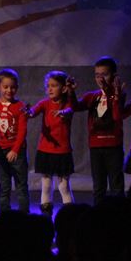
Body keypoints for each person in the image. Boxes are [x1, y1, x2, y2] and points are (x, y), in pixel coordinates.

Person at [73, 56, 125, 204]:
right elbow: (76, 106)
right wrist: (71, 92)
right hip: (96, 146)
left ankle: (119, 212)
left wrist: (113, 93)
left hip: (113, 146)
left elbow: (117, 115)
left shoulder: (118, 94)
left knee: (116, 184)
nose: (100, 79)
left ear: (114, 76)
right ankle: (98, 213)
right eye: (97, 75)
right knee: (98, 185)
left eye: (105, 75)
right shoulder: (92, 96)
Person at [28, 71, 77, 216]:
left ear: (63, 88)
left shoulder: (68, 103)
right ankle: (46, 215)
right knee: (46, 185)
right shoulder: (45, 103)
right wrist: (27, 112)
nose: (50, 89)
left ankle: (70, 214)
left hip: (62, 152)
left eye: (54, 86)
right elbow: (32, 112)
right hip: (46, 151)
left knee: (64, 186)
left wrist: (64, 112)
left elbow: (71, 109)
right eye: (48, 86)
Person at [0, 69, 29, 213]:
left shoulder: (20, 106)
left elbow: (22, 131)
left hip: (17, 152)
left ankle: (24, 215)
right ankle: (4, 216)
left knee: (21, 186)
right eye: (5, 87)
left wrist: (15, 150)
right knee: (4, 186)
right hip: (0, 152)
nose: (9, 90)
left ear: (17, 88)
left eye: (13, 87)